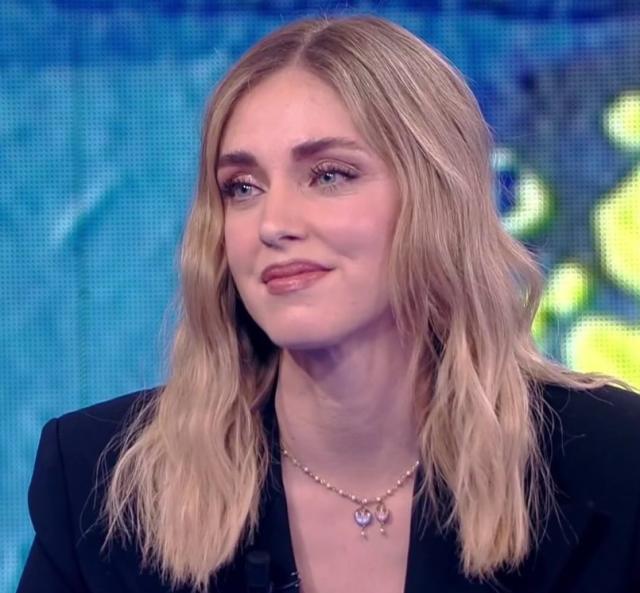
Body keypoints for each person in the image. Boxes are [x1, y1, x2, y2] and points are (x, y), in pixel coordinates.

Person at [17, 14, 640, 593]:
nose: (273, 224)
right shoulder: (100, 484)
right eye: (242, 187)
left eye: (329, 175)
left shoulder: (614, 461)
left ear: (437, 198)